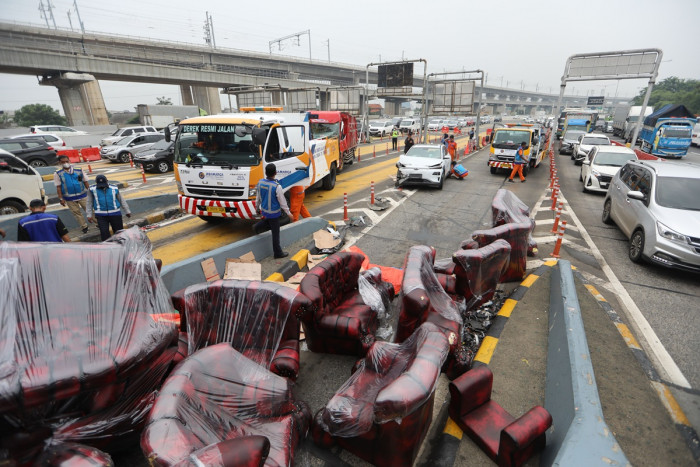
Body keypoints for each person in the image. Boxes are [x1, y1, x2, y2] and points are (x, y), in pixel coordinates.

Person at [255, 163, 292, 258]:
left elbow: (258, 198)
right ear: (275, 172)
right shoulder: (277, 186)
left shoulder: (260, 183)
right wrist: (288, 213)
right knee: (275, 234)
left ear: (266, 172)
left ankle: (257, 226)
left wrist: (257, 208)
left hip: (265, 210)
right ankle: (278, 253)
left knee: (268, 221)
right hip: (274, 213)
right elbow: (282, 202)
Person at [86, 174, 131, 241]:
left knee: (119, 233)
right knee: (104, 233)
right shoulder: (92, 189)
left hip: (115, 214)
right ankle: (108, 247)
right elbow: (89, 202)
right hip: (101, 215)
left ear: (107, 181)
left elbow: (121, 200)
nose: (102, 187)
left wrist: (127, 211)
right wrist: (89, 214)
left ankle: (121, 246)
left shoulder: (114, 188)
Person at [54, 154, 90, 233]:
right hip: (69, 198)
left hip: (83, 195)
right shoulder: (58, 173)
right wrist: (61, 198)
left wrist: (90, 192)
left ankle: (97, 223)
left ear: (69, 161)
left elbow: (85, 181)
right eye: (63, 162)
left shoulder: (78, 170)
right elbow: (58, 187)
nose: (65, 163)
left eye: (67, 161)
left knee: (89, 210)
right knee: (76, 213)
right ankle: (84, 226)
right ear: (60, 163)